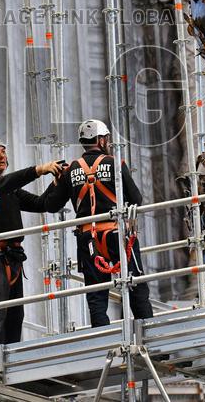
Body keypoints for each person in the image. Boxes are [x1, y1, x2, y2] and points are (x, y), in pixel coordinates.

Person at [39, 119, 152, 327]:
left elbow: (52, 205)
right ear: (101, 140)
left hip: (88, 238)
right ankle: (153, 342)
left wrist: (58, 180)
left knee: (96, 296)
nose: (108, 142)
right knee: (136, 286)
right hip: (117, 233)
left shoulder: (71, 170)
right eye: (106, 139)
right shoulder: (115, 163)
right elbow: (136, 199)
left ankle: (104, 346)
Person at [0, 135, 64, 346]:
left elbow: (42, 204)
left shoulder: (8, 190)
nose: (1, 156)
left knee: (15, 314)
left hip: (11, 256)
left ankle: (10, 360)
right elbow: (4, 183)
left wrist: (57, 181)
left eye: (3, 151)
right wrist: (39, 170)